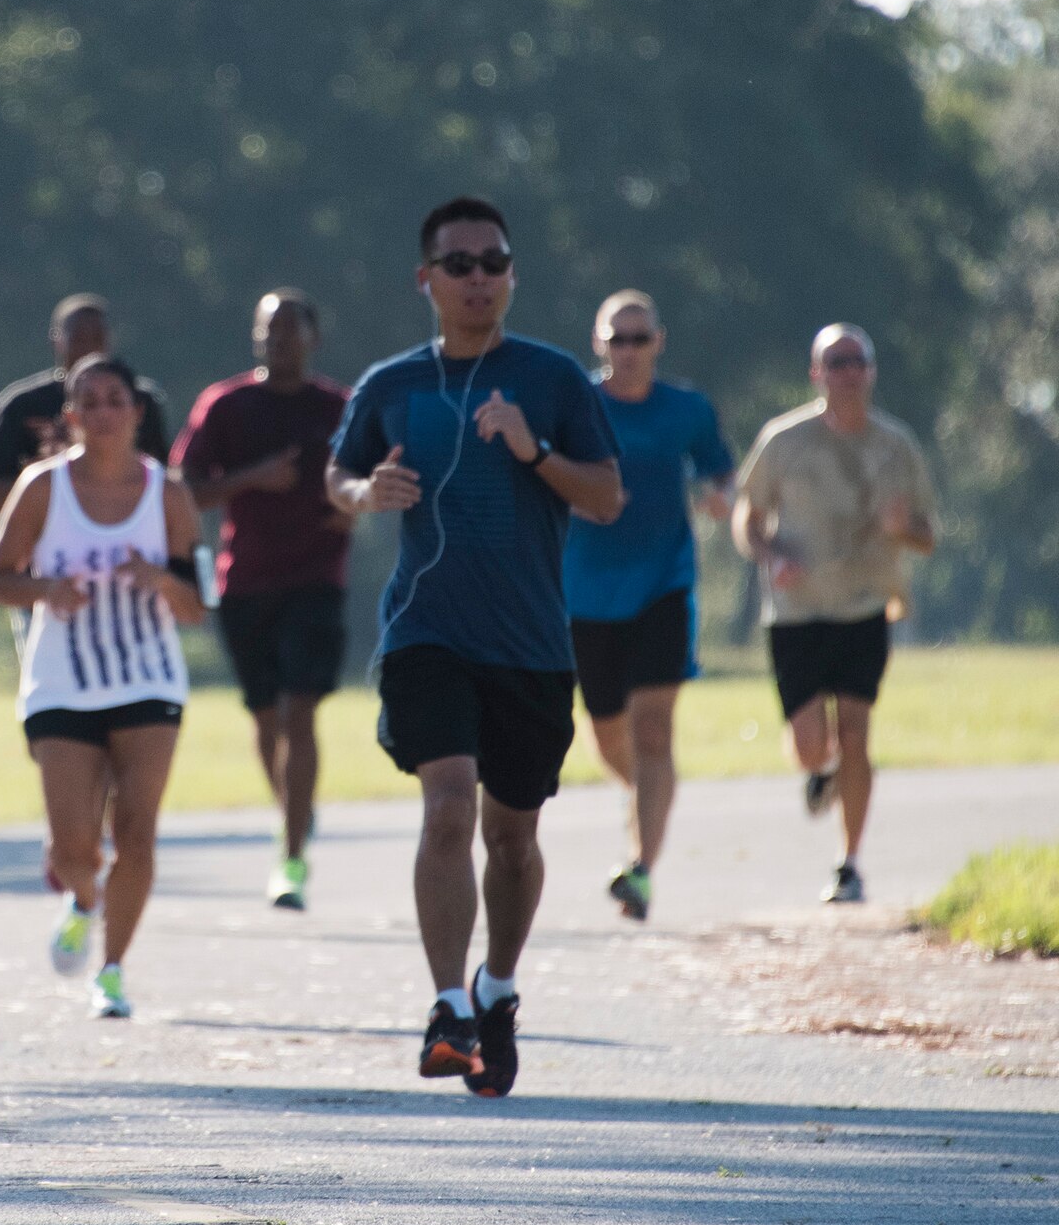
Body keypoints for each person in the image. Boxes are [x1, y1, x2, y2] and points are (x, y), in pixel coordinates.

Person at [326, 197, 621, 1097]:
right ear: (427, 279)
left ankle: (498, 988)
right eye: (459, 264)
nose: (478, 277)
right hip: (428, 631)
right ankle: (449, 1006)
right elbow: (336, 480)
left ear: (511, 274)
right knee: (449, 805)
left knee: (514, 837)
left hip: (531, 645)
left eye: (493, 261)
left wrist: (534, 452)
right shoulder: (392, 383)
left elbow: (606, 498)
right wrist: (363, 492)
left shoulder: (554, 379)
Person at [0, 355, 206, 1019]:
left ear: (136, 413)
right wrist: (46, 588)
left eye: (116, 400)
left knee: (137, 831)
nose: (104, 412)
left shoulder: (169, 493)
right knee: (75, 848)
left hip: (149, 679)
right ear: (71, 417)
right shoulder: (43, 487)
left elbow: (197, 605)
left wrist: (160, 578)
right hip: (62, 683)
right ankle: (83, 897)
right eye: (90, 402)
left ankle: (111, 969)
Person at [732, 324, 937, 905]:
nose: (848, 372)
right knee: (809, 743)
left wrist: (905, 530)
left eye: (858, 361)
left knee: (856, 730)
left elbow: (928, 533)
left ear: (871, 371)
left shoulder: (896, 446)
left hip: (865, 605)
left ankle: (849, 863)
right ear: (816, 374)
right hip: (795, 611)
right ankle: (818, 772)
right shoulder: (784, 439)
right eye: (836, 362)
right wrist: (770, 556)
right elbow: (748, 514)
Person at [171, 289, 354, 910]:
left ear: (313, 338)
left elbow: (375, 471)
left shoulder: (339, 406)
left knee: (300, 713)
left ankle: (292, 856)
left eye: (289, 331)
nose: (277, 342)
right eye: (267, 331)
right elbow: (184, 491)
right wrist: (253, 478)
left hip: (316, 578)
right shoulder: (225, 404)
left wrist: (355, 510)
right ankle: (294, 812)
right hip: (245, 580)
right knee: (265, 719)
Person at [563, 290, 735, 924]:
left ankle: (641, 870)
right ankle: (646, 802)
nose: (629, 351)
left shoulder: (687, 409)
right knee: (607, 733)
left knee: (653, 729)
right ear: (598, 343)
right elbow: (539, 469)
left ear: (659, 342)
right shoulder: (574, 403)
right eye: (618, 339)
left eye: (640, 338)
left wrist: (722, 497)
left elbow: (720, 471)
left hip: (665, 585)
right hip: (585, 593)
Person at [0, 295, 173, 519]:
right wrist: (52, 488)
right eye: (79, 338)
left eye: (98, 338)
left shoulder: (138, 400)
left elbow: (164, 484)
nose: (90, 348)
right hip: (39, 541)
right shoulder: (21, 405)